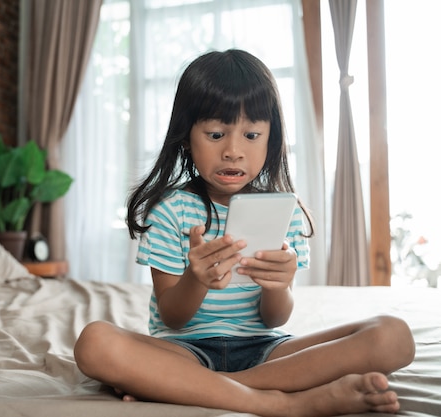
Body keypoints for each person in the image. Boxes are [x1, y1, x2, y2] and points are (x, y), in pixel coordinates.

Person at [74, 49, 415, 417]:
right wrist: (196, 279)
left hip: (266, 350)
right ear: (187, 137)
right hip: (186, 351)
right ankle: (281, 401)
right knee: (94, 343)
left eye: (252, 134)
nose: (233, 151)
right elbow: (172, 317)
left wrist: (278, 287)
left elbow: (274, 319)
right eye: (216, 134)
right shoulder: (171, 210)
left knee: (393, 336)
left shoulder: (285, 213)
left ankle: (193, 389)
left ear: (271, 141)